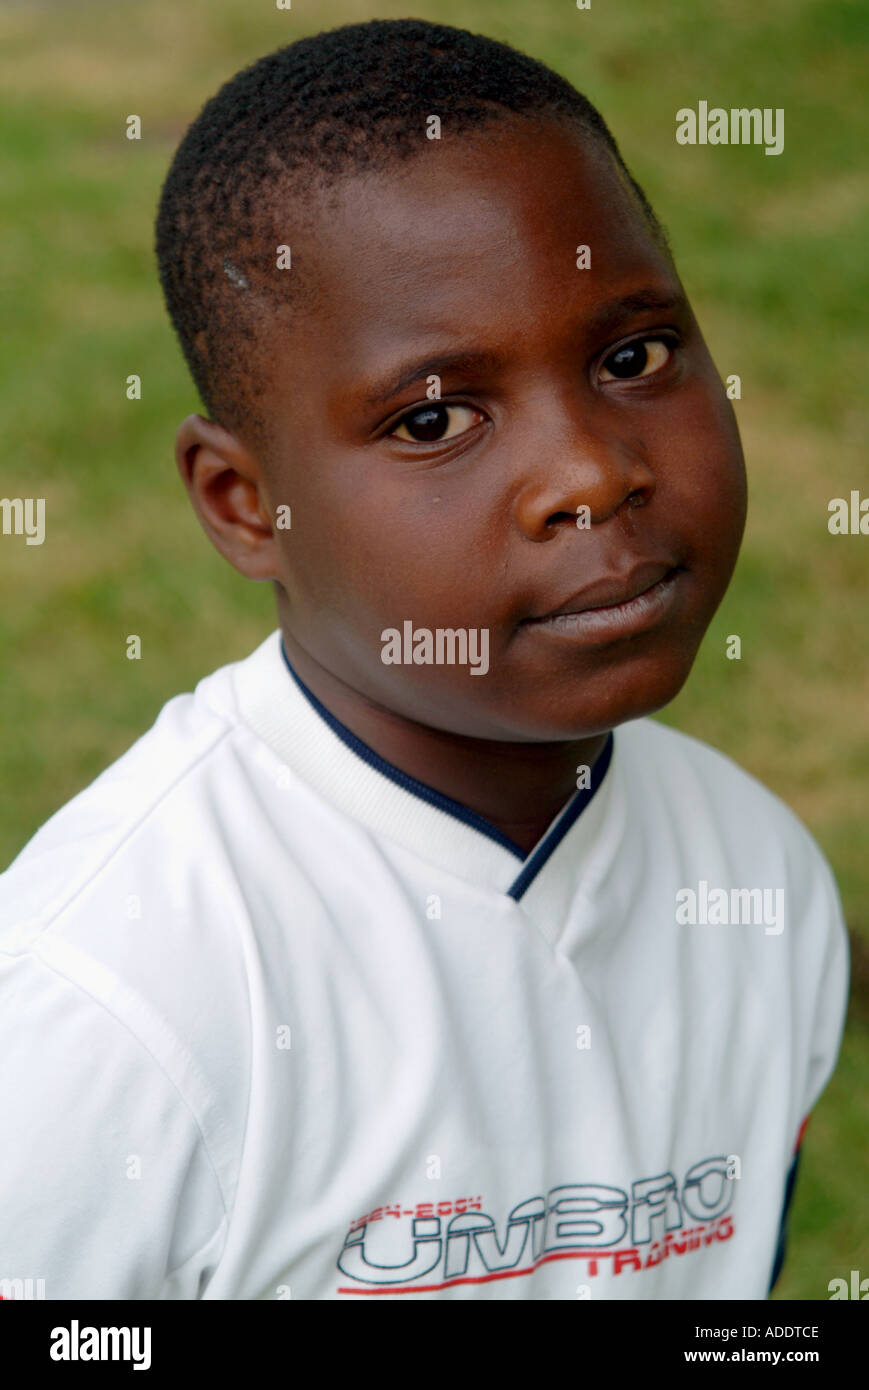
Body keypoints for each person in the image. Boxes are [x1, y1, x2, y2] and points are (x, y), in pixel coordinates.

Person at [0, 19, 848, 1300]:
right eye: (435, 418)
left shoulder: (757, 881)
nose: (589, 473)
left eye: (631, 357)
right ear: (243, 504)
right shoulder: (107, 1011)